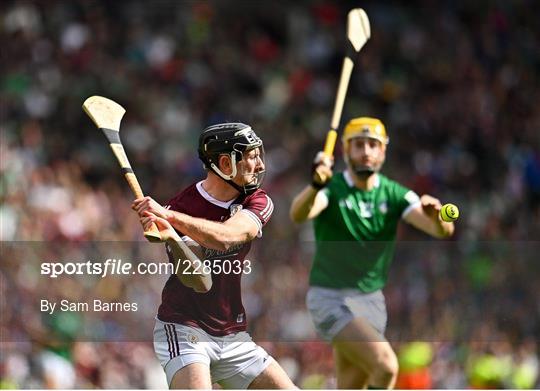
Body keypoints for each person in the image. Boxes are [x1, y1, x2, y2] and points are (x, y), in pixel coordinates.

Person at [290, 117, 455, 389]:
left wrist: (437, 217)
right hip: (330, 299)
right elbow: (300, 213)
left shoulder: (394, 194)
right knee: (386, 366)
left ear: (383, 151)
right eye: (358, 145)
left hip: (370, 302)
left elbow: (442, 231)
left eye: (372, 145)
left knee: (352, 385)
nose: (366, 151)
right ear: (345, 150)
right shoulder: (332, 189)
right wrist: (315, 186)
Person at [132, 122, 295, 389]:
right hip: (184, 328)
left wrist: (170, 218)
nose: (260, 165)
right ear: (225, 162)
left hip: (233, 336)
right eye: (251, 157)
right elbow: (200, 281)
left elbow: (228, 236)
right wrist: (173, 237)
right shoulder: (183, 206)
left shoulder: (257, 200)